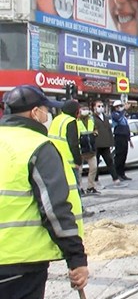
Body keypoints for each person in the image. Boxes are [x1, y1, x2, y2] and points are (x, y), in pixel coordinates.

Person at [0, 85, 88, 298]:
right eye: (45, 109)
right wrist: (76, 258)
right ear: (34, 112)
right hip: (19, 263)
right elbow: (55, 209)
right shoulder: (37, 146)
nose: (47, 114)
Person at [93, 100, 126, 188]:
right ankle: (95, 181)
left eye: (102, 106)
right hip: (96, 144)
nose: (101, 108)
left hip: (106, 144)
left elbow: (109, 131)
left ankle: (116, 179)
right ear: (94, 108)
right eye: (98, 106)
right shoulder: (92, 118)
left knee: (110, 161)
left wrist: (111, 143)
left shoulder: (105, 117)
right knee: (95, 163)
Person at [77, 101, 100, 195]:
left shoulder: (91, 119)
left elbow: (95, 129)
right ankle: (80, 188)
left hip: (91, 148)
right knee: (79, 170)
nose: (85, 111)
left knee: (94, 167)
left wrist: (95, 133)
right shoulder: (76, 121)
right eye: (83, 109)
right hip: (80, 149)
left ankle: (91, 186)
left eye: (86, 109)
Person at [111, 100, 133, 181]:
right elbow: (118, 119)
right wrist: (124, 110)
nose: (119, 108)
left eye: (120, 106)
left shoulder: (123, 116)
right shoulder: (114, 115)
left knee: (124, 156)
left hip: (124, 138)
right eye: (117, 106)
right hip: (119, 137)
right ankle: (117, 174)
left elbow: (126, 127)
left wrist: (129, 139)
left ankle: (122, 173)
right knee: (119, 156)